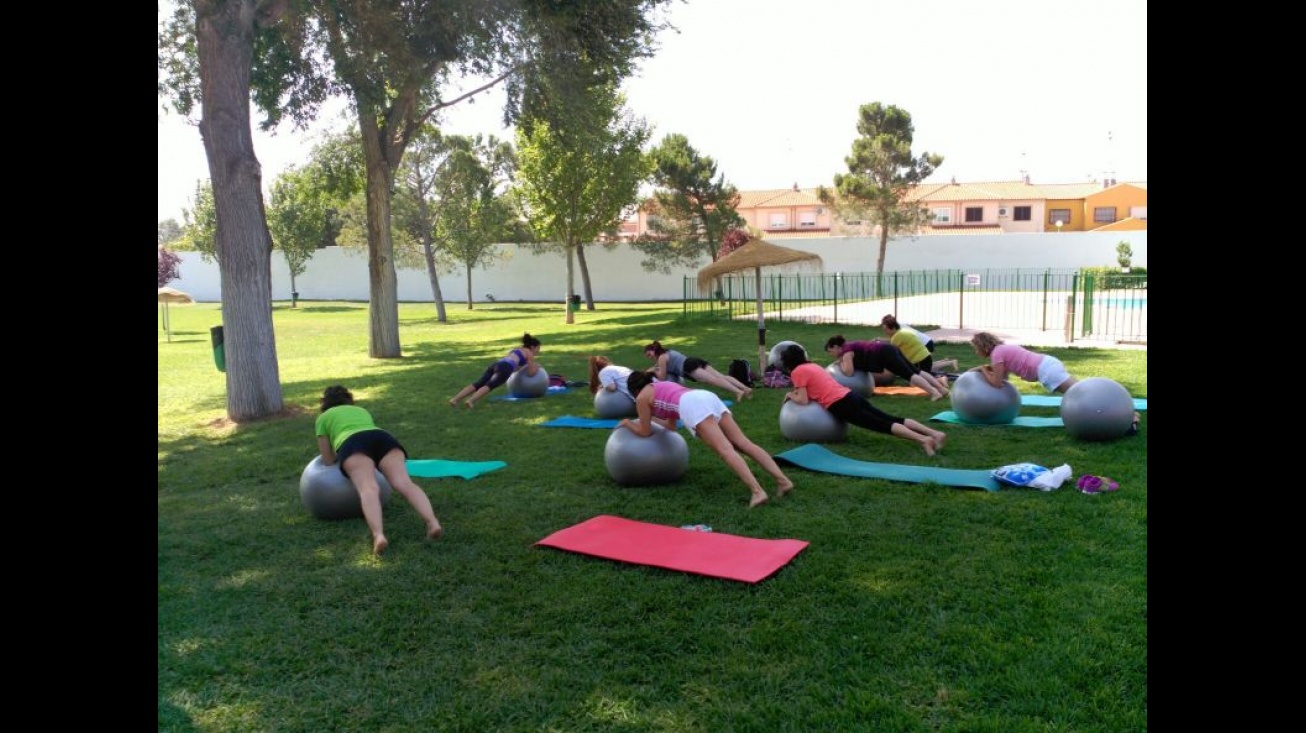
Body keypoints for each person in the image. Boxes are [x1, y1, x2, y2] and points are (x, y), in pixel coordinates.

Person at [620, 371, 792, 508]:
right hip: (706, 396)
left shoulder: (641, 397)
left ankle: (757, 492)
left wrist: (627, 422)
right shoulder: (662, 385)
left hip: (692, 404)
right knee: (742, 443)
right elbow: (671, 426)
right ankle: (783, 481)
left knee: (725, 450)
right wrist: (650, 418)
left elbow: (644, 432)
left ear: (634, 391)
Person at [315, 385, 442, 555]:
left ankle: (379, 535)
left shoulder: (323, 418)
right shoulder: (360, 411)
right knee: (405, 483)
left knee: (368, 488)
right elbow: (367, 433)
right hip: (383, 438)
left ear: (325, 403)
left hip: (352, 443)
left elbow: (328, 459)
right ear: (348, 399)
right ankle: (432, 522)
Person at [779, 344, 947, 457]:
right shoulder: (813, 366)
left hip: (841, 404)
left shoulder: (798, 372)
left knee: (883, 425)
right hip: (851, 395)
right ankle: (935, 434)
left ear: (787, 362)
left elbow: (802, 400)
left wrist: (789, 395)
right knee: (891, 418)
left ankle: (924, 440)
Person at [823, 334, 950, 401]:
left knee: (910, 375)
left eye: (830, 351)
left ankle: (934, 393)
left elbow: (849, 372)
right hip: (888, 349)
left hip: (884, 354)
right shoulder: (849, 346)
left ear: (835, 347)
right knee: (915, 371)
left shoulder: (846, 352)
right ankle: (941, 390)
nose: (831, 354)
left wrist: (840, 363)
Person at [448, 333, 542, 408]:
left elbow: (515, 367)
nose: (538, 351)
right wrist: (536, 367)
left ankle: (455, 399)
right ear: (532, 347)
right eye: (538, 348)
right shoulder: (529, 353)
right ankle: (470, 401)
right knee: (489, 385)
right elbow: (531, 373)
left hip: (496, 364)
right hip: (505, 368)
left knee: (479, 383)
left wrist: (523, 366)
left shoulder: (517, 350)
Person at [968, 331, 1078, 394]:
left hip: (1046, 370)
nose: (976, 352)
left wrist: (983, 369)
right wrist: (982, 369)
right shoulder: (1001, 350)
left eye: (976, 349)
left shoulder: (997, 354)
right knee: (1077, 391)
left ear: (983, 347)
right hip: (1047, 365)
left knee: (1077, 393)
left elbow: (997, 383)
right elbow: (1003, 378)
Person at [642, 340, 752, 401]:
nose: (649, 357)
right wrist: (648, 371)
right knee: (721, 376)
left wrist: (655, 372)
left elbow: (662, 377)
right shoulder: (667, 352)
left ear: (653, 350)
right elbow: (656, 366)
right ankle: (745, 388)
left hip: (688, 367)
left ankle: (738, 392)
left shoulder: (661, 357)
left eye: (649, 354)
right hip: (694, 360)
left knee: (714, 380)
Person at [880, 315, 959, 373]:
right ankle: (946, 362)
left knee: (924, 371)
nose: (885, 332)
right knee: (925, 366)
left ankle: (948, 364)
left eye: (885, 329)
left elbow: (892, 349)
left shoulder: (898, 335)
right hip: (925, 342)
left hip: (925, 343)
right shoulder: (899, 329)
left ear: (892, 327)